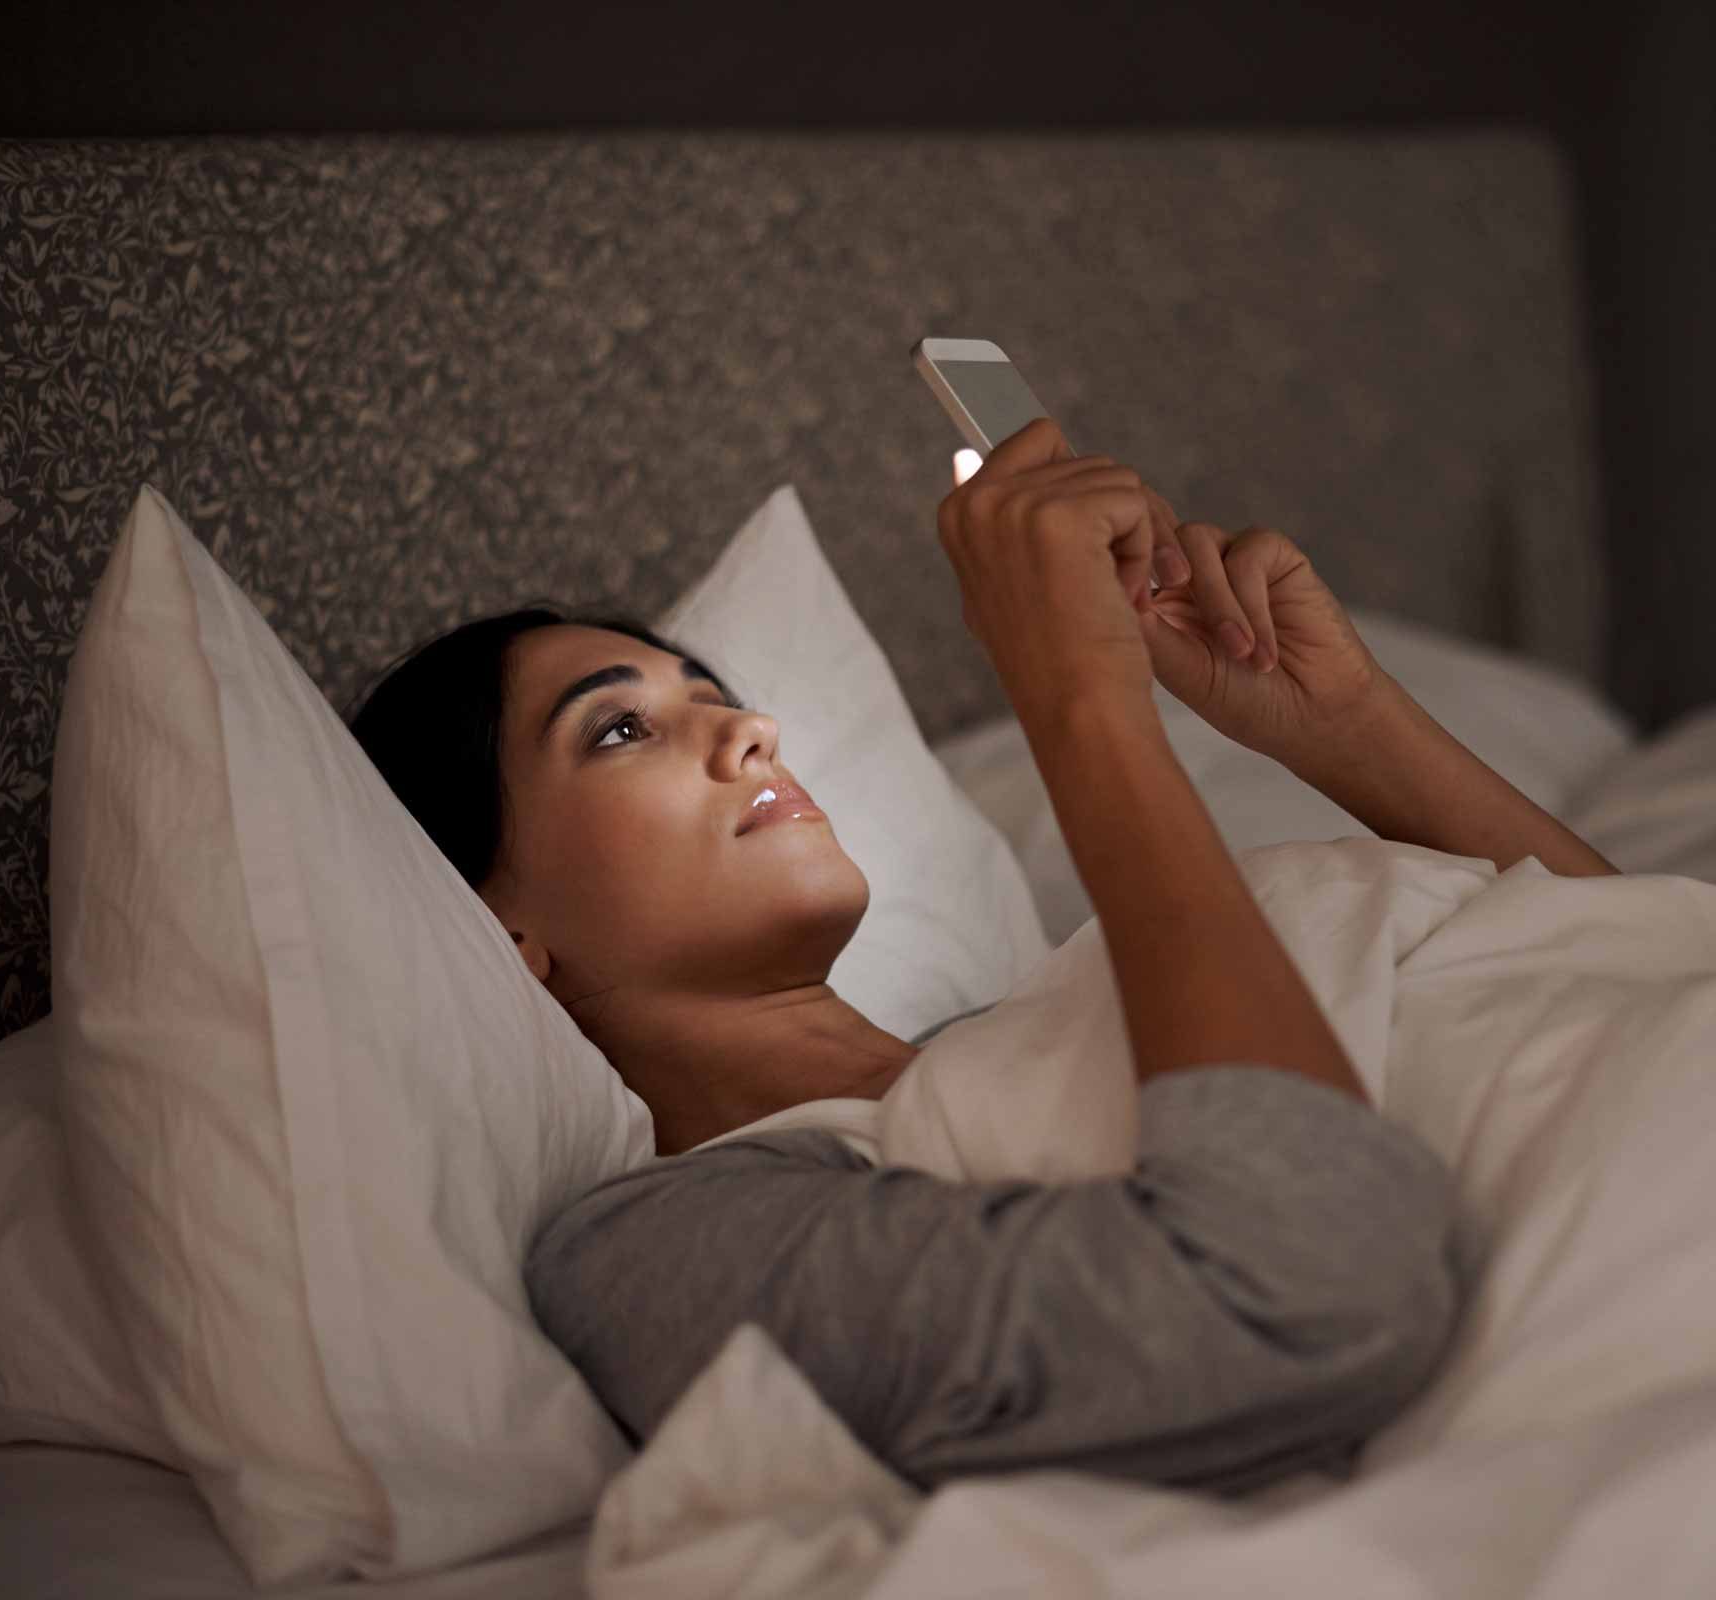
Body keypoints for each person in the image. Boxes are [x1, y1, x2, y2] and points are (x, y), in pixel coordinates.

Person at [349, 418, 1618, 1497]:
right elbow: (1307, 1291)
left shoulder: (1029, 1034)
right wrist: (1079, 699)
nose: (749, 727)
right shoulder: (647, 1254)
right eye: (621, 727)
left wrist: (1348, 726)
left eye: (712, 692)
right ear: (502, 934)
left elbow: (1642, 959)